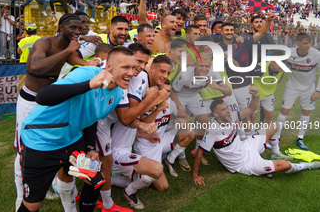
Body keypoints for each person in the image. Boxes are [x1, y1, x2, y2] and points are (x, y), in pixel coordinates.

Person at [18, 47, 136, 212]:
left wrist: (89, 148)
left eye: (133, 68)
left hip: (71, 139)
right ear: (108, 66)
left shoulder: (117, 94)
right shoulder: (87, 74)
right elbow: (43, 96)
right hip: (41, 140)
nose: (131, 73)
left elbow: (92, 117)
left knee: (94, 179)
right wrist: (89, 85)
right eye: (126, 67)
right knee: (33, 204)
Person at [13, 13, 83, 211]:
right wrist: (68, 51)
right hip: (30, 101)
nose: (77, 31)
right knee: (24, 150)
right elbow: (35, 67)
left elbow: (81, 63)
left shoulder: (70, 46)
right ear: (61, 27)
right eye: (73, 28)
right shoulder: (44, 43)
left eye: (80, 28)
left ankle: (54, 187)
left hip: (50, 102)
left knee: (53, 147)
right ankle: (21, 198)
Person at [192, 87, 320, 185]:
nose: (227, 112)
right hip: (243, 163)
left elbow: (252, 107)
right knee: (285, 165)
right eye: (223, 110)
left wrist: (256, 95)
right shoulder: (213, 130)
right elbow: (199, 153)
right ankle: (308, 166)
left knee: (274, 127)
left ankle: (275, 152)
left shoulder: (231, 116)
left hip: (247, 146)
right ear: (215, 114)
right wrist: (195, 175)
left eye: (227, 108)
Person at [110, 55, 170, 209]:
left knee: (149, 182)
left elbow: (136, 122)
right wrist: (155, 101)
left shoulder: (148, 86)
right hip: (115, 152)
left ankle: (106, 178)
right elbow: (127, 118)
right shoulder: (141, 78)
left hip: (124, 149)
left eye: (168, 73)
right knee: (156, 170)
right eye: (162, 71)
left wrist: (145, 133)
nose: (165, 76)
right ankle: (128, 192)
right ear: (151, 68)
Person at [275, 33, 320, 151]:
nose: (308, 46)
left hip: (308, 88)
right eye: (305, 43)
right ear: (297, 44)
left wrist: (318, 91)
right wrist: (279, 76)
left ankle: (300, 139)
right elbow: (279, 63)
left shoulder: (316, 54)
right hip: (292, 86)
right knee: (284, 110)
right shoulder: (289, 52)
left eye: (309, 43)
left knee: (306, 111)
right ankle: (276, 137)